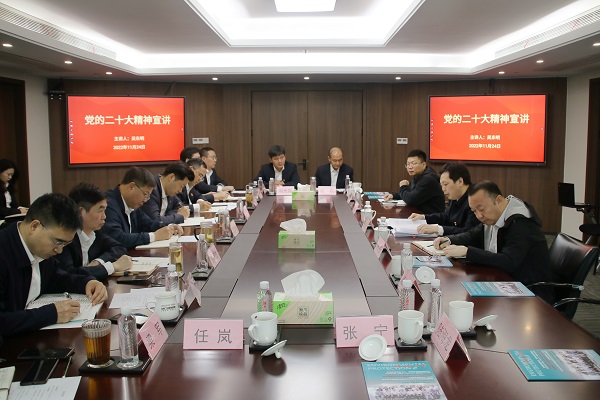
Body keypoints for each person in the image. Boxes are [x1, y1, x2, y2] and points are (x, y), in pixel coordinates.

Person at [0, 193, 108, 336]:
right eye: (57, 242)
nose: (59, 250)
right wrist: (51, 314)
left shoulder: (39, 249)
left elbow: (57, 277)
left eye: (65, 244)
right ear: (34, 226)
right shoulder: (5, 251)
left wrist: (87, 283)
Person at [433, 181, 551, 301]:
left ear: (498, 200)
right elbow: (472, 235)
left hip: (529, 291)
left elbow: (509, 261)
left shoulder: (520, 223)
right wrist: (449, 240)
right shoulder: (494, 216)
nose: (479, 216)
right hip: (504, 280)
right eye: (474, 211)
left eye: (481, 209)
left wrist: (467, 252)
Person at [55, 183, 131, 280]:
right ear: (81, 212)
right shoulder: (65, 238)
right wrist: (112, 267)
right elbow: (69, 274)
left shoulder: (95, 232)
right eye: (100, 211)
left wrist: (98, 262)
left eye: (104, 211)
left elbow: (119, 247)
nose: (104, 216)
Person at [102, 167, 183, 249]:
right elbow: (119, 238)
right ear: (131, 187)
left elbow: (148, 224)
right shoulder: (108, 205)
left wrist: (169, 227)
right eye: (145, 195)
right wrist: (154, 236)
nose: (146, 200)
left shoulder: (132, 203)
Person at [409, 162, 479, 235]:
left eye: (445, 184)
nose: (443, 189)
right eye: (442, 185)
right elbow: (445, 216)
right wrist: (424, 217)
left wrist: (439, 229)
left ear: (460, 181)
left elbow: (469, 232)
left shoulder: (475, 199)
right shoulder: (456, 196)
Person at [383, 149, 445, 213]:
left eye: (413, 163)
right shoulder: (419, 176)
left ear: (423, 165)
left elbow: (410, 199)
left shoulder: (428, 179)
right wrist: (393, 195)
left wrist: (403, 186)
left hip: (431, 216)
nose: (410, 167)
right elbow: (410, 192)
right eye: (408, 164)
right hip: (420, 214)